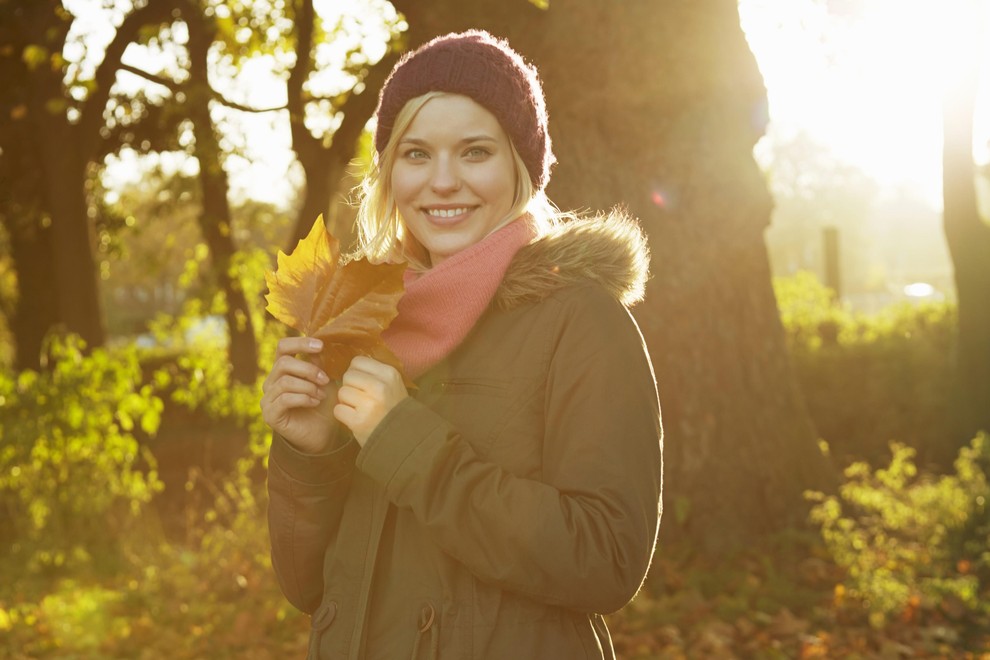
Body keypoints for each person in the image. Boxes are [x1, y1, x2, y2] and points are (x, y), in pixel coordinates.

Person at [261, 29, 663, 660]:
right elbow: (306, 585)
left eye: (475, 152)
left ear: (520, 167)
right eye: (416, 155)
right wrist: (309, 453)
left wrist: (403, 440)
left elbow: (606, 559)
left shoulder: (582, 322)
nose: (442, 182)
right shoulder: (358, 329)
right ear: (389, 172)